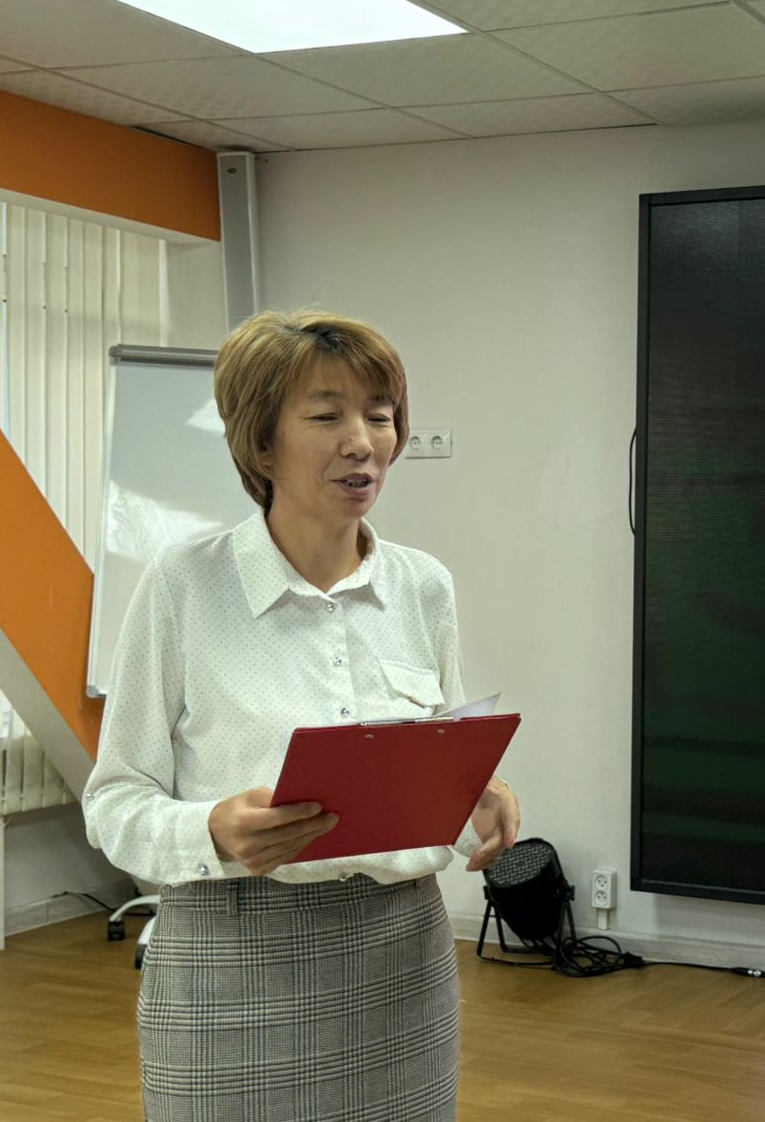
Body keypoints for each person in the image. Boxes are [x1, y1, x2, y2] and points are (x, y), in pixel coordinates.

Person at [82, 308, 519, 1122]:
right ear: (260, 445)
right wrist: (212, 829)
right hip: (233, 959)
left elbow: (437, 769)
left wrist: (477, 798)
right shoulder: (184, 586)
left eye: (380, 416)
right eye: (327, 417)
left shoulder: (423, 586)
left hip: (403, 962)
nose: (363, 442)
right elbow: (114, 804)